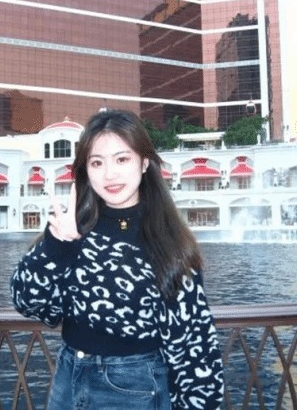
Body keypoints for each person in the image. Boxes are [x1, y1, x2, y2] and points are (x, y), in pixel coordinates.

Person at [11, 109, 224, 409]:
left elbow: (193, 344)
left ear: (144, 162)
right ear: (86, 170)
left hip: (136, 387)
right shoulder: (72, 227)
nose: (109, 174)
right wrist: (56, 246)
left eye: (122, 159)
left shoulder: (167, 240)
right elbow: (28, 302)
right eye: (97, 162)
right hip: (68, 381)